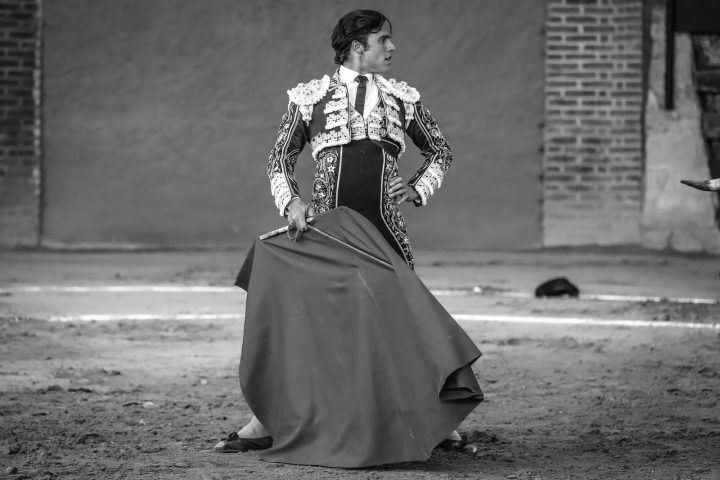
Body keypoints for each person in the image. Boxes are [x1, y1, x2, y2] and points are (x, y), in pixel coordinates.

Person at [214, 9, 483, 467]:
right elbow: (279, 158)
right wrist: (291, 203)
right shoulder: (310, 98)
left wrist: (417, 188)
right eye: (384, 40)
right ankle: (267, 421)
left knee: (402, 327)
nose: (392, 48)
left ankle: (436, 423)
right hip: (327, 235)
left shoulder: (403, 98)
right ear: (358, 46)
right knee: (310, 330)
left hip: (383, 233)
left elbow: (440, 150)